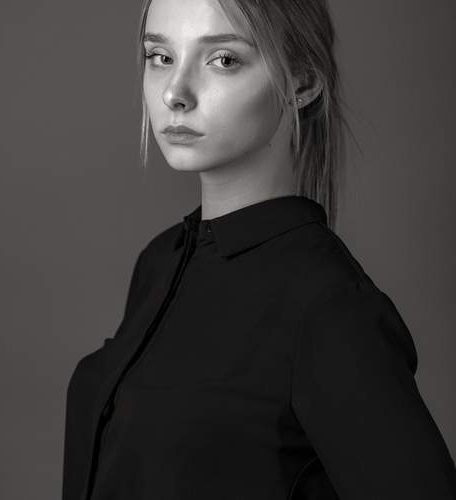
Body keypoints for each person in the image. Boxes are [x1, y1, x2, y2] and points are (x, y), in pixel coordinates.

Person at [62, 0, 456, 498]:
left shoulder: (329, 307)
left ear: (303, 81)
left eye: (223, 60)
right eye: (160, 57)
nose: (174, 93)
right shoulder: (160, 262)